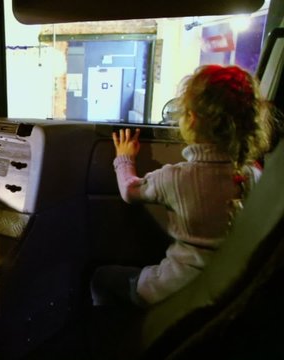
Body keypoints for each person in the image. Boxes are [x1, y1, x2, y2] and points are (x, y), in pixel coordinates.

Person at [91, 65, 272, 307]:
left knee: (101, 278)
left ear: (191, 119)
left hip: (173, 290)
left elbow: (129, 190)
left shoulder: (175, 177)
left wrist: (125, 158)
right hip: (229, 291)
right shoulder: (254, 175)